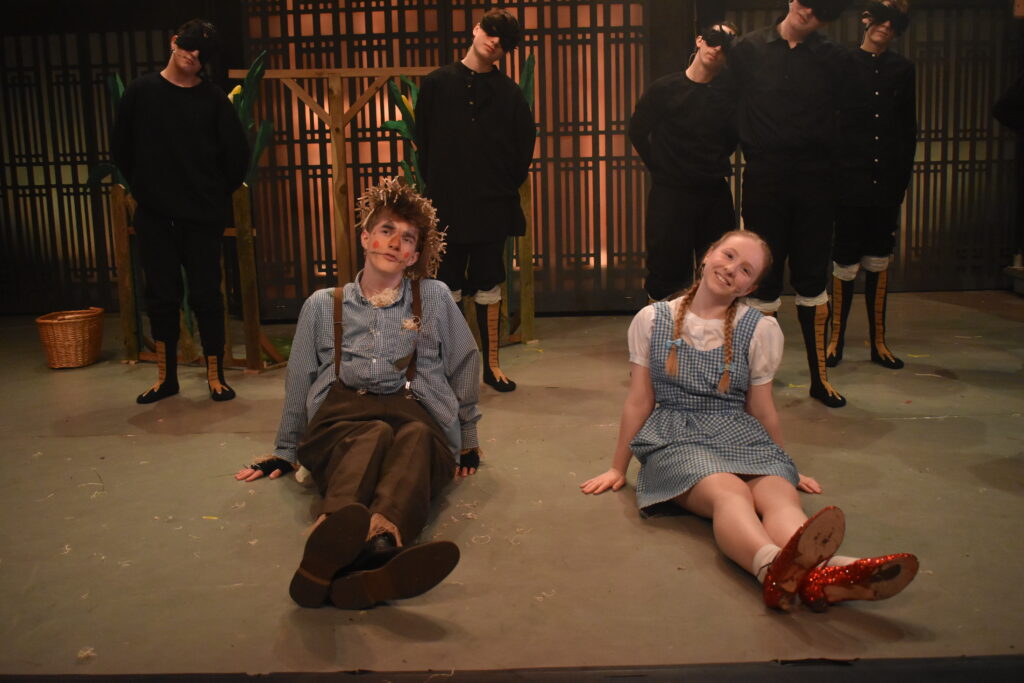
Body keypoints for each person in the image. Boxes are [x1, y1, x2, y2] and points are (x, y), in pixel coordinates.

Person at [580, 230, 918, 611]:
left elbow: (761, 408)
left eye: (745, 270)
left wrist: (785, 464)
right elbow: (639, 401)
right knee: (732, 494)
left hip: (739, 433)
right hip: (676, 436)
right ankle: (770, 567)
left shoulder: (758, 329)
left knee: (780, 495)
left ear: (751, 287)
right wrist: (618, 467)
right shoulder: (653, 319)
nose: (731, 270)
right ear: (707, 255)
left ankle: (830, 571)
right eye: (728, 256)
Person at [234, 178, 483, 609]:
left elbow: (464, 362)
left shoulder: (434, 297)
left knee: (416, 438)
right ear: (365, 238)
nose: (395, 243)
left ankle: (379, 545)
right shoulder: (322, 304)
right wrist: (285, 449)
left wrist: (468, 439)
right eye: (386, 230)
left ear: (414, 256)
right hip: (341, 418)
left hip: (417, 413)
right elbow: (299, 379)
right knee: (372, 434)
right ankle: (334, 534)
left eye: (408, 238)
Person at [112, 18, 249, 404]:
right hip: (155, 214)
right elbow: (121, 147)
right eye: (188, 46)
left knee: (207, 294)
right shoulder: (140, 92)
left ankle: (216, 376)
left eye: (202, 54)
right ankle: (165, 377)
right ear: (174, 42)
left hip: (202, 216)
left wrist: (213, 196)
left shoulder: (213, 99)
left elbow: (237, 156)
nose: (193, 56)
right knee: (161, 294)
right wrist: (144, 189)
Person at [726, 0, 852, 408]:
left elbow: (849, 118)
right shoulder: (748, 50)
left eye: (820, 11)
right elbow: (723, 102)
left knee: (813, 277)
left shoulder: (834, 58)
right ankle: (757, 382)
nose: (807, 13)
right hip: (764, 177)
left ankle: (820, 378)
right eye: (805, 3)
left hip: (817, 180)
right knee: (760, 277)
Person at [415, 8, 536, 392]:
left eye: (505, 41)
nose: (495, 42)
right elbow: (423, 142)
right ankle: (449, 369)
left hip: (492, 205)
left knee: (489, 281)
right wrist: (439, 185)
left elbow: (523, 148)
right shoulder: (436, 84)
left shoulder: (510, 94)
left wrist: (500, 184)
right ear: (476, 29)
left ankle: (492, 366)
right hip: (446, 203)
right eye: (492, 32)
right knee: (445, 283)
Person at [828, 1, 916, 370]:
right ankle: (835, 339)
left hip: (886, 184)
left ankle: (879, 342)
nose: (885, 29)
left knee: (879, 259)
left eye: (893, 25)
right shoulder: (843, 63)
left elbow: (908, 128)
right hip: (849, 182)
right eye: (881, 21)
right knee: (845, 260)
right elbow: (830, 122)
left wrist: (900, 180)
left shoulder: (903, 69)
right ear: (867, 21)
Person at [628, 22, 739, 302]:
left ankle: (712, 330)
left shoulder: (728, 95)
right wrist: (660, 167)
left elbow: (733, 138)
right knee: (666, 272)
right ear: (699, 40)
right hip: (671, 194)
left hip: (713, 192)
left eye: (725, 45)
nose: (716, 48)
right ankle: (665, 329)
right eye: (712, 39)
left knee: (718, 268)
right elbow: (637, 131)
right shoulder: (665, 89)